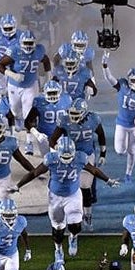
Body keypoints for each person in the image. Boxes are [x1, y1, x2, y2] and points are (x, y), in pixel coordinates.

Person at [12, 138, 118, 260]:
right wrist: (18, 185)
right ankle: (58, 249)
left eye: (69, 157)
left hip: (73, 195)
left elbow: (93, 170)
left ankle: (73, 237)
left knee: (76, 225)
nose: (67, 161)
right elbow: (34, 173)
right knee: (58, 229)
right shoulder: (51, 159)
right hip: (55, 197)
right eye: (64, 157)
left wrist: (107, 180)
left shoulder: (80, 158)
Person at [49, 98, 110, 231]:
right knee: (68, 186)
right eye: (72, 113)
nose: (73, 117)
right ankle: (68, 212)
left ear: (84, 113)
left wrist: (103, 154)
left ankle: (87, 215)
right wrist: (57, 150)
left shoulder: (93, 120)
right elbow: (53, 139)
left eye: (76, 114)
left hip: (87, 156)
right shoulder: (65, 120)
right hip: (69, 157)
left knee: (85, 187)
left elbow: (101, 135)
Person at [101, 55, 135, 183]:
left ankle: (128, 173)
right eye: (133, 80)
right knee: (120, 150)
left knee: (132, 150)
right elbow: (109, 78)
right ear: (128, 80)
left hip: (134, 126)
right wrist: (105, 65)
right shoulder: (122, 85)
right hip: (122, 123)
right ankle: (127, 165)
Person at [0, 30, 51, 136]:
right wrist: (13, 75)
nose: (28, 46)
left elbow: (46, 61)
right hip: (14, 85)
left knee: (29, 112)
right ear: (21, 43)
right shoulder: (15, 50)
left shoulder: (39, 50)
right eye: (26, 43)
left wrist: (48, 77)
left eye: (30, 43)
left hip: (31, 85)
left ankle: (29, 140)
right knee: (15, 110)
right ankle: (18, 118)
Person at [24, 80, 70, 158]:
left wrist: (68, 135)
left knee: (60, 157)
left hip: (60, 135)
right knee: (47, 158)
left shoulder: (66, 100)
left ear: (59, 92)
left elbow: (70, 120)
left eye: (54, 93)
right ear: (45, 93)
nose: (52, 95)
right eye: (50, 93)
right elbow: (27, 122)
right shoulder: (39, 102)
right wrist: (37, 134)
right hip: (44, 136)